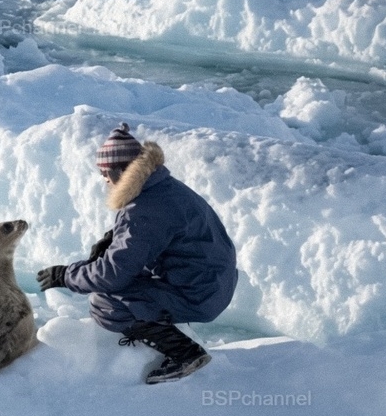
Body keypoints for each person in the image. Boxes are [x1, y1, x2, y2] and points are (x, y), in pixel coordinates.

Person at [36, 123, 238, 384]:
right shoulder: (161, 188)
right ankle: (166, 322)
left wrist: (65, 275)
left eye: (105, 172)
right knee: (126, 279)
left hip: (199, 294)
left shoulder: (144, 209)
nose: (104, 179)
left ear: (121, 171)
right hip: (211, 283)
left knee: (106, 303)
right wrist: (112, 240)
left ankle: (185, 353)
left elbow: (112, 276)